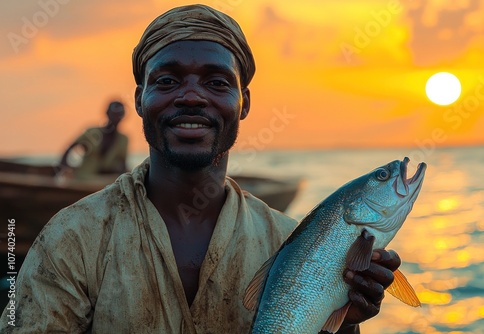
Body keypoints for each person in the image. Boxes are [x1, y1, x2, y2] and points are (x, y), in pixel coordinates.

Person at [0, 4, 401, 333]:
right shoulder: (71, 238)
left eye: (216, 83)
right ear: (141, 99)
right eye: (169, 80)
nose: (191, 97)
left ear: (243, 101)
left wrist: (346, 321)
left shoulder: (285, 242)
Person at [58, 100, 128, 180]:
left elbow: (123, 163)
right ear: (107, 113)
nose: (116, 117)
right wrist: (63, 168)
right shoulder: (92, 132)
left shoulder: (123, 139)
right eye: (114, 113)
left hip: (105, 181)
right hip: (83, 178)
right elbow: (70, 147)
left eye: (119, 114)